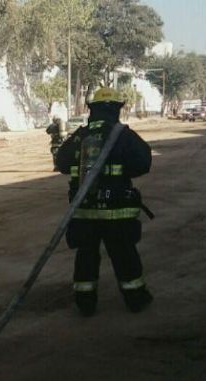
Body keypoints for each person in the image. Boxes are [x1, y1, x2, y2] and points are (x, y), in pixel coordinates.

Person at [54, 87, 154, 316]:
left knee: (86, 258)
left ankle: (85, 303)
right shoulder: (123, 134)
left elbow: (61, 163)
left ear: (93, 110)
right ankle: (136, 299)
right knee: (125, 256)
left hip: (84, 213)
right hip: (117, 213)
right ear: (117, 109)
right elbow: (143, 163)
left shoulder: (80, 135)